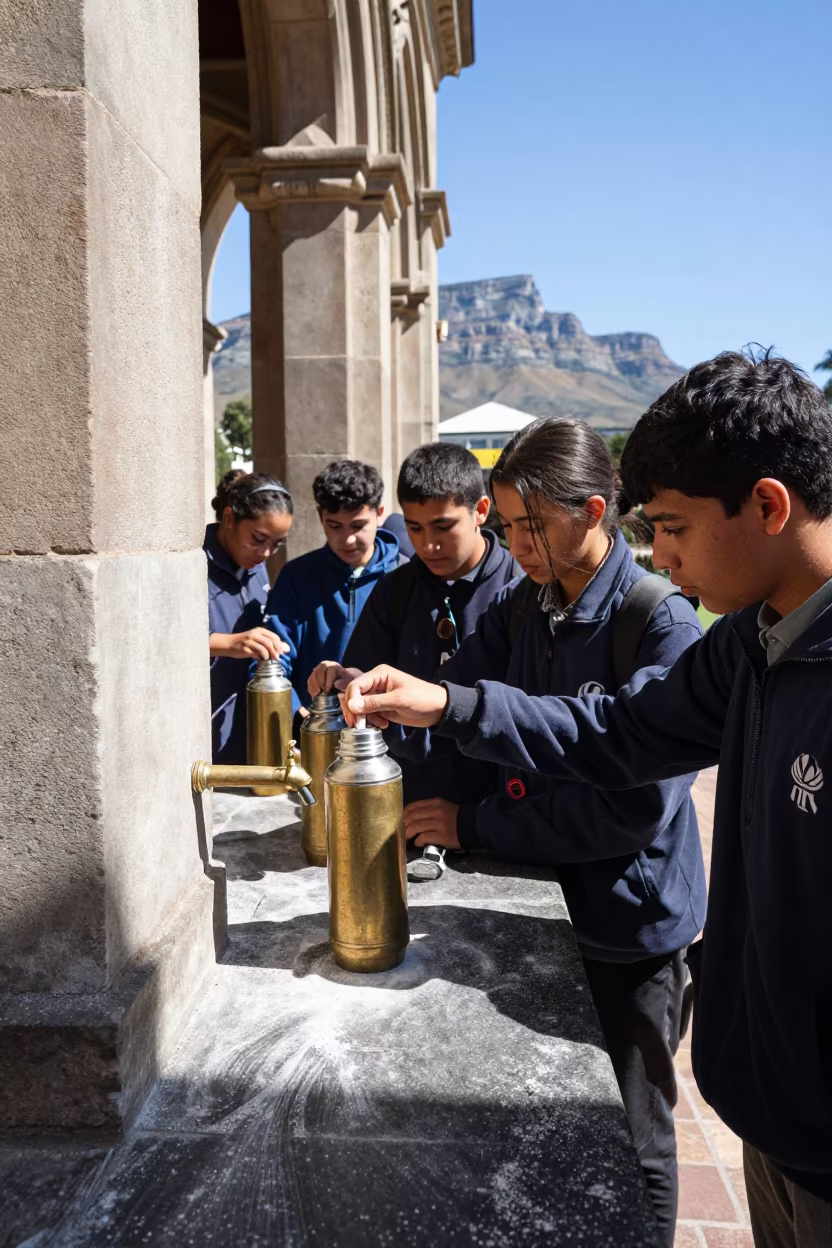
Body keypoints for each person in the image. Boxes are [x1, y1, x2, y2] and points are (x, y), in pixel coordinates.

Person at [343, 351, 832, 1248]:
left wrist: (480, 810)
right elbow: (618, 731)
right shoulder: (752, 646)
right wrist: (447, 702)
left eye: (676, 527)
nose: (667, 557)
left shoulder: (678, 623)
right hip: (775, 1112)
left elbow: (636, 798)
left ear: (767, 505)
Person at [308, 441, 518, 808]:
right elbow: (368, 679)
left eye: (442, 526)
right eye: (415, 528)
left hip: (495, 808)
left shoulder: (519, 590)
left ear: (481, 510)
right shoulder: (396, 589)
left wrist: (477, 824)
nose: (428, 545)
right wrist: (346, 679)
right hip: (406, 800)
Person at [264, 460, 399, 713]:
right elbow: (273, 661)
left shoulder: (404, 575)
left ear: (379, 514)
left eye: (358, 526)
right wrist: (296, 716)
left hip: (390, 735)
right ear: (320, 517)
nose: (347, 539)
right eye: (335, 526)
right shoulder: (297, 576)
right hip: (314, 731)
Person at [206, 469, 293, 764]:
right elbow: (161, 643)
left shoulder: (256, 565)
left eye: (276, 544)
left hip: (250, 728)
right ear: (229, 518)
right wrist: (229, 644)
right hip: (205, 731)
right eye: (258, 539)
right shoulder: (192, 562)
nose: (266, 552)